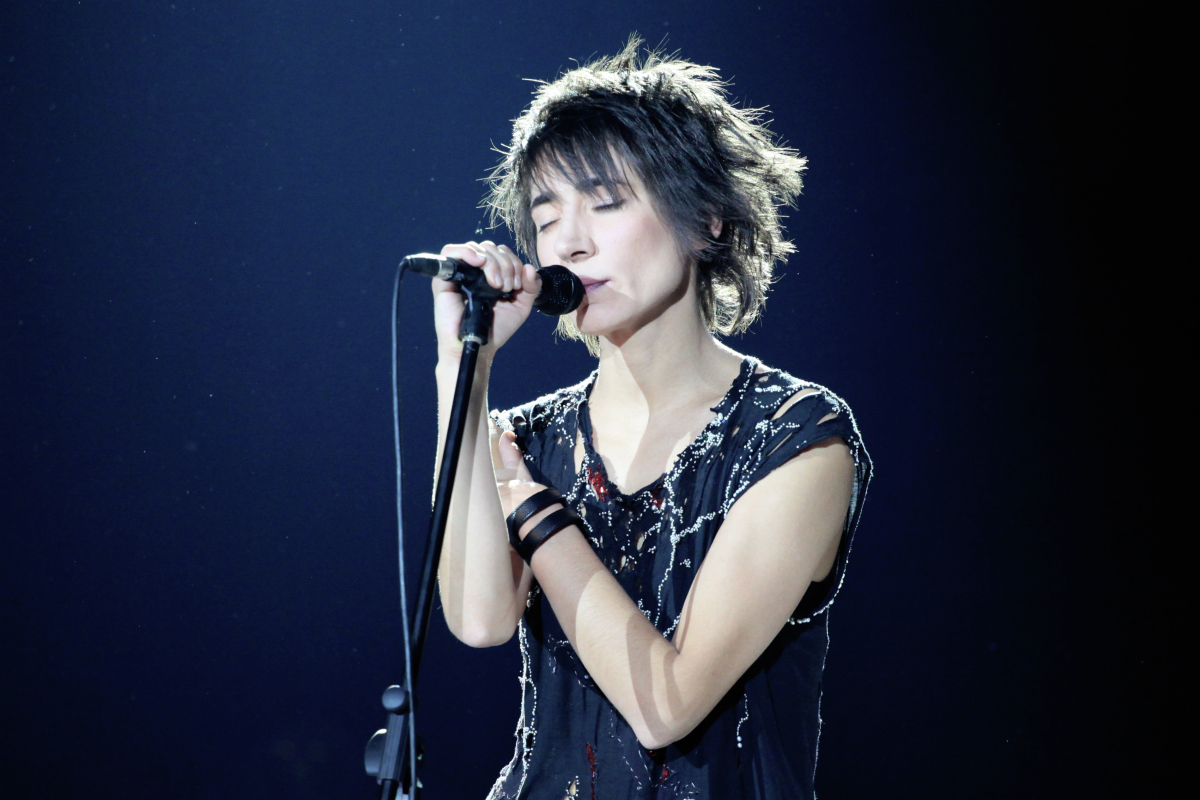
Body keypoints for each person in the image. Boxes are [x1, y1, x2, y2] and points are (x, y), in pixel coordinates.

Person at [430, 37, 871, 799]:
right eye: (546, 217)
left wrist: (532, 512)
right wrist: (462, 366)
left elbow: (665, 705)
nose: (569, 242)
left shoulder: (794, 439)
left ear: (708, 220)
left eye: (606, 203)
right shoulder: (526, 438)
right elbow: (478, 619)